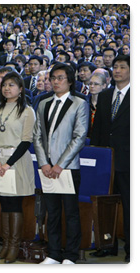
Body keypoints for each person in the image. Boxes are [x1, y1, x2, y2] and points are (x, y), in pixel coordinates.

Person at [33, 62, 89, 264]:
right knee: (52, 212)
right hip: (47, 168)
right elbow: (37, 136)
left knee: (71, 212)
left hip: (68, 168)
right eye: (53, 78)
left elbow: (80, 136)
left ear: (70, 81)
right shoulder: (42, 103)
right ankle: (54, 253)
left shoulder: (79, 103)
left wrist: (60, 164)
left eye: (60, 78)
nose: (55, 82)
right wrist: (44, 163)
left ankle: (71, 255)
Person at [0, 71, 35, 263]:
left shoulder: (27, 111)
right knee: (2, 204)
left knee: (14, 204)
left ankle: (14, 245)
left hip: (16, 161)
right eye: (4, 85)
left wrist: (8, 163)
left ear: (20, 89)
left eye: (11, 85)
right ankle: (5, 244)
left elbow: (27, 141)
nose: (7, 88)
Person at [90, 55, 130, 263]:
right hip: (106, 161)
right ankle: (107, 245)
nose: (117, 71)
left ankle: (132, 249)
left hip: (129, 161)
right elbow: (97, 130)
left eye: (123, 67)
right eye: (115, 67)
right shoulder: (105, 96)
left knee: (130, 205)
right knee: (105, 205)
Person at [88, 72, 107, 136]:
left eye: (96, 84)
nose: (92, 86)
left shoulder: (107, 104)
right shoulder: (84, 101)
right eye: (90, 84)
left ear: (104, 85)